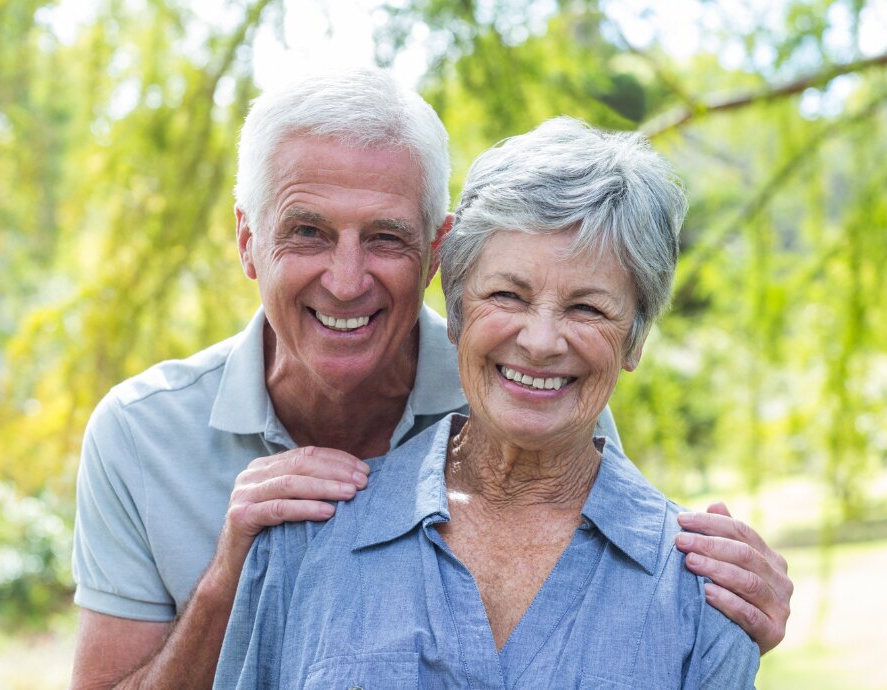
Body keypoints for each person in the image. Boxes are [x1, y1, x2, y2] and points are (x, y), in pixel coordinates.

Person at [71, 71, 791, 689]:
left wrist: (733, 601)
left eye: (384, 236)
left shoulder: (538, 397)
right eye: (308, 232)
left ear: (436, 257)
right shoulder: (143, 436)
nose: (347, 280)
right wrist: (231, 573)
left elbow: (608, 578)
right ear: (247, 242)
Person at [215, 116, 760, 688]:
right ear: (455, 312)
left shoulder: (706, 590)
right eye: (507, 295)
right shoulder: (301, 542)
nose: (542, 341)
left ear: (635, 339)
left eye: (588, 309)